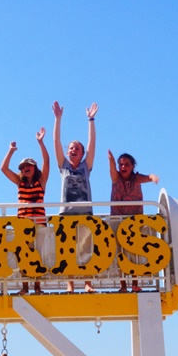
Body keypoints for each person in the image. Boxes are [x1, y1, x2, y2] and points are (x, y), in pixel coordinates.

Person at [53, 100, 97, 293]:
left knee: (85, 249)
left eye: (77, 148)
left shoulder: (86, 166)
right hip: (66, 213)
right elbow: (56, 142)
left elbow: (92, 144)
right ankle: (70, 284)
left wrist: (91, 120)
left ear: (82, 153)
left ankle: (87, 283)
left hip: (85, 212)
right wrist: (58, 119)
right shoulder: (63, 166)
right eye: (71, 148)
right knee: (67, 249)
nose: (73, 150)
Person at [0, 127, 50, 294]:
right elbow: (3, 168)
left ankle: (37, 287)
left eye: (28, 165)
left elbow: (47, 161)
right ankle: (25, 286)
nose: (25, 168)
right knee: (23, 254)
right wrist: (10, 151)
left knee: (38, 255)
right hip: (23, 225)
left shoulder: (41, 181)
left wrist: (41, 142)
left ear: (34, 167)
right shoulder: (19, 182)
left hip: (39, 224)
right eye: (22, 167)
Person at [108, 150, 160, 292]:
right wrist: (111, 160)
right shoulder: (116, 179)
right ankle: (123, 285)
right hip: (118, 221)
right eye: (121, 164)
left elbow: (148, 177)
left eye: (126, 164)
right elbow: (112, 169)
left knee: (134, 253)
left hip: (134, 223)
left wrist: (153, 177)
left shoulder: (136, 179)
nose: (123, 167)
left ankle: (135, 284)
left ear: (132, 166)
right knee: (121, 253)